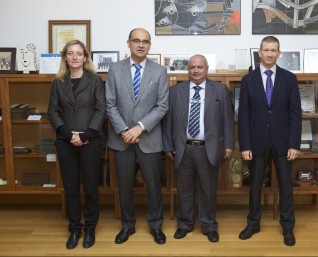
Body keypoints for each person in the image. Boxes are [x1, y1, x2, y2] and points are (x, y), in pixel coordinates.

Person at [105, 28, 169, 245]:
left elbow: (162, 106)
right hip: (121, 140)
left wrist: (139, 127)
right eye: (136, 41)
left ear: (150, 45)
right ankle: (127, 225)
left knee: (153, 187)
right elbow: (110, 104)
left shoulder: (159, 71)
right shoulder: (114, 69)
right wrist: (125, 130)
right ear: (129, 43)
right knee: (124, 187)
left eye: (145, 42)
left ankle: (156, 225)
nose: (141, 45)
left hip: (148, 139)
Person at [162, 54, 234, 242]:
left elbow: (228, 120)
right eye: (192, 67)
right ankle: (184, 224)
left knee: (208, 190)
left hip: (208, 149)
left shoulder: (219, 90)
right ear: (188, 70)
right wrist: (168, 145)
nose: (195, 70)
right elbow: (167, 122)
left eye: (199, 67)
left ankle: (209, 225)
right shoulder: (175, 91)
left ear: (206, 68)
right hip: (183, 149)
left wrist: (228, 145)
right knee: (184, 189)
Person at [237, 36, 302, 246]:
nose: (269, 54)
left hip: (283, 142)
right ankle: (253, 224)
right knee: (255, 186)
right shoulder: (248, 80)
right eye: (266, 50)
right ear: (259, 52)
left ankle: (288, 228)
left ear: (279, 53)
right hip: (256, 142)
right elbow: (243, 115)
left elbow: (295, 113)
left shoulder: (289, 79)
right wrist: (245, 145)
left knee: (285, 187)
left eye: (273, 50)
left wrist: (294, 144)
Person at [47, 40, 105, 249]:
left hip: (90, 140)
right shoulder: (58, 82)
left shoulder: (96, 81)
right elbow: (52, 111)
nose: (74, 57)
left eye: (78, 53)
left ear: (85, 57)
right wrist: (65, 133)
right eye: (70, 53)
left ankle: (90, 228)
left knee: (90, 188)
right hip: (65, 142)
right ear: (65, 57)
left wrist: (86, 134)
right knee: (71, 188)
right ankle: (74, 229)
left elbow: (101, 110)